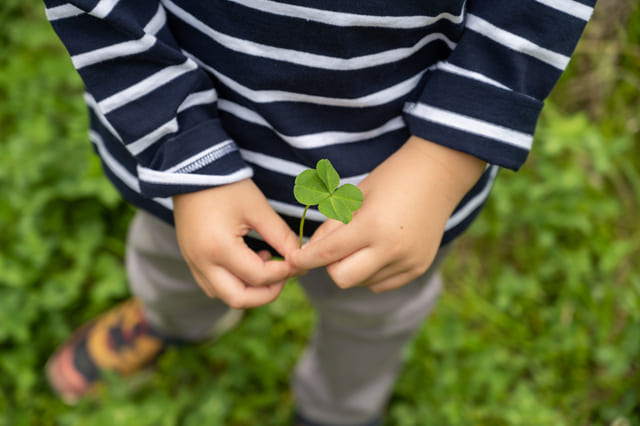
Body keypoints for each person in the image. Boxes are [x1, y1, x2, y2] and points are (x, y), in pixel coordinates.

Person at [43, 1, 596, 424]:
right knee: (172, 266)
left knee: (374, 315)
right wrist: (185, 150)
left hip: (402, 173)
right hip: (187, 158)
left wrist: (444, 159)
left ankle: (339, 407)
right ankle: (169, 321)